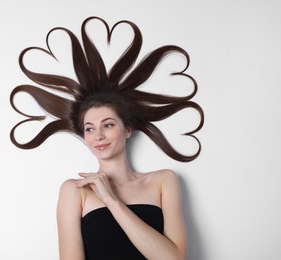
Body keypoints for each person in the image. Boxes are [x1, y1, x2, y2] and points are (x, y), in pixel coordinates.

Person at [10, 17, 204, 260]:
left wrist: (111, 200)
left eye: (108, 125)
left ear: (127, 130)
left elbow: (175, 259)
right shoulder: (75, 191)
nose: (98, 136)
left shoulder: (163, 181)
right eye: (89, 129)